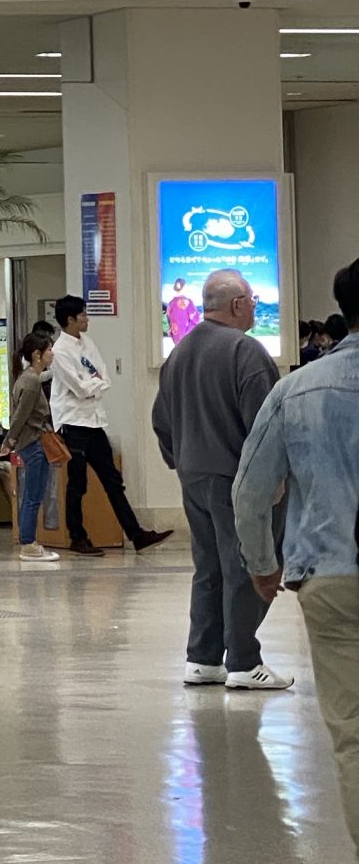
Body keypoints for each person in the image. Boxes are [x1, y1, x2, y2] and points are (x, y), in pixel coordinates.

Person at [235, 262, 359, 864]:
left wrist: (263, 565)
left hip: (333, 578)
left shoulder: (298, 389)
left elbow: (250, 491)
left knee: (355, 736)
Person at [153, 266, 287, 690]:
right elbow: (265, 425)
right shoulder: (246, 352)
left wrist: (182, 460)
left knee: (208, 566)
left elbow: (161, 422)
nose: (255, 307)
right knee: (245, 562)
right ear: (237, 304)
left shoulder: (178, 355)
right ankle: (244, 661)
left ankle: (203, 658)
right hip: (237, 478)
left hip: (193, 477)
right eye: (252, 300)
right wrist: (275, 478)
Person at [50, 296, 172, 558]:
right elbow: (81, 388)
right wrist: (94, 385)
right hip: (73, 423)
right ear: (70, 320)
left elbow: (103, 376)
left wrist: (93, 384)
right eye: (83, 315)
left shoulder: (88, 343)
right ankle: (77, 537)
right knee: (77, 484)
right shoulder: (60, 351)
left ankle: (136, 535)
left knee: (113, 481)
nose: (87, 319)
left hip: (94, 421)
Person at [6, 335, 60, 564]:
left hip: (31, 442)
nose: (52, 353)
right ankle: (28, 544)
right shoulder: (31, 382)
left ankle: (29, 542)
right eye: (49, 350)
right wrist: (9, 440)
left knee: (33, 495)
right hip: (34, 443)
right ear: (37, 354)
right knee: (33, 496)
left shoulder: (28, 378)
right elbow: (21, 415)